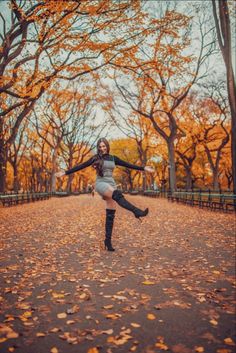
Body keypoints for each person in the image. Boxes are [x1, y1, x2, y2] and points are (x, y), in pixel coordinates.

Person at [55, 138, 154, 252]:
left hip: (111, 183)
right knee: (117, 194)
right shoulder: (95, 158)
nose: (102, 148)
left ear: (107, 146)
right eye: (100, 147)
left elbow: (129, 165)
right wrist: (65, 172)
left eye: (104, 146)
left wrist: (143, 168)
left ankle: (108, 241)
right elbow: (81, 166)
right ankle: (137, 211)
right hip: (101, 184)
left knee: (111, 212)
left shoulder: (113, 158)